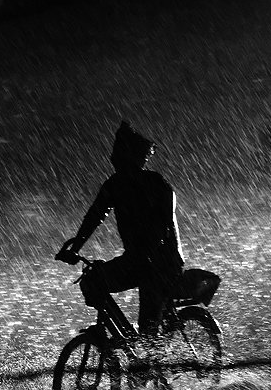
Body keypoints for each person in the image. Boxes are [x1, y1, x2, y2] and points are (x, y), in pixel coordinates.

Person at [57, 121, 185, 343]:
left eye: (119, 151)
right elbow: (95, 216)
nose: (113, 157)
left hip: (164, 263)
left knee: (147, 330)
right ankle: (122, 342)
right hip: (138, 260)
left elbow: (165, 223)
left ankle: (145, 361)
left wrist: (151, 251)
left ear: (132, 156)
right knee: (94, 280)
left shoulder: (157, 184)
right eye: (114, 151)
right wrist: (75, 248)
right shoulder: (115, 185)